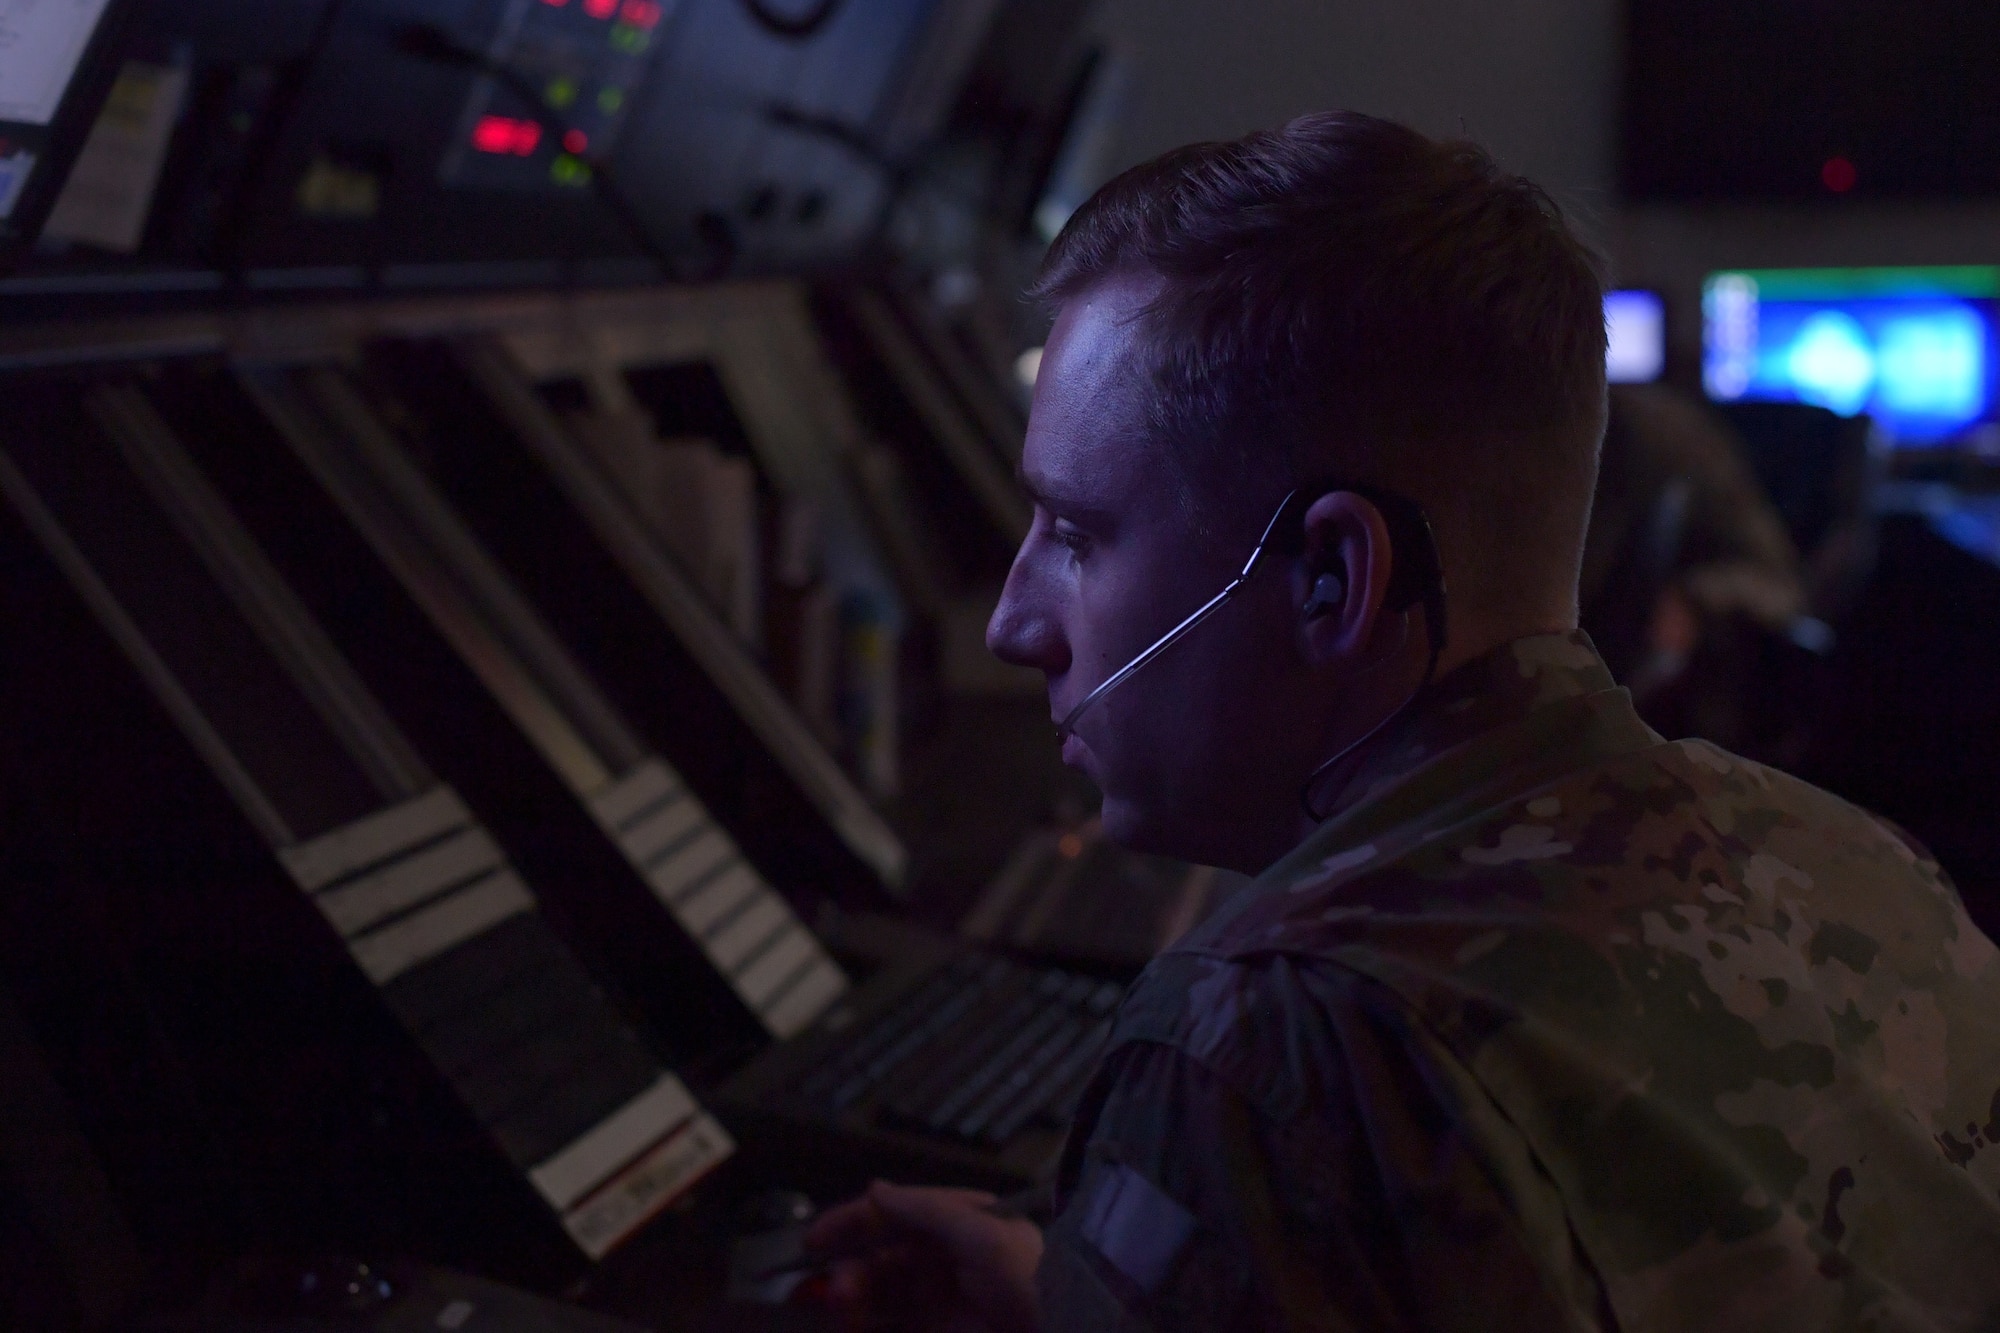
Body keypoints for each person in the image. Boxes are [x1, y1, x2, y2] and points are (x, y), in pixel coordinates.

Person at [805, 112, 2000, 1331]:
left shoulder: (1274, 1047)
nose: (1015, 623)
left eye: (1075, 533)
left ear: (1329, 578)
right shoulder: (1866, 865)